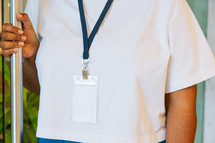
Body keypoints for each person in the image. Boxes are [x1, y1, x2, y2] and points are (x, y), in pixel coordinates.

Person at [1, 0, 215, 142]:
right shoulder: (44, 2)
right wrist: (27, 58)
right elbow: (44, 87)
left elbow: (182, 104)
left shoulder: (165, 4)